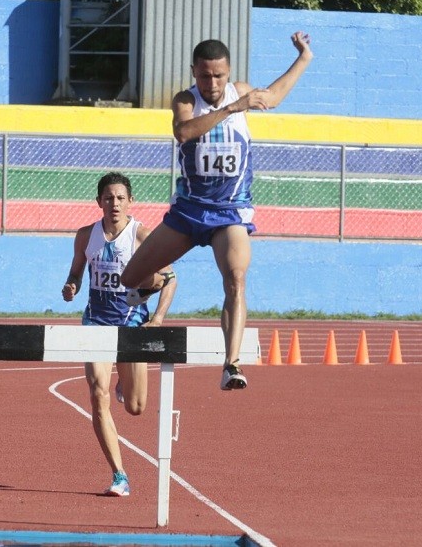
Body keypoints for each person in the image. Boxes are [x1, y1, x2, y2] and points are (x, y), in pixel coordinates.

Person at [121, 32, 313, 391]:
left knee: (236, 278)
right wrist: (231, 108)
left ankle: (231, 364)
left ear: (229, 73)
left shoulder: (240, 90)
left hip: (230, 212)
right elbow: (184, 132)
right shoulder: (186, 100)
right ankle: (160, 281)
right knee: (129, 280)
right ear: (194, 72)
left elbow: (273, 96)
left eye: (219, 76)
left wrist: (303, 57)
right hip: (189, 212)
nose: (212, 83)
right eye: (205, 76)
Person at [62, 171, 176, 497]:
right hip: (96, 323)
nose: (114, 203)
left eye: (120, 198)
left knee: (136, 407)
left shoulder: (142, 236)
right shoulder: (86, 236)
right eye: (109, 198)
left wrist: (157, 319)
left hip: (131, 324)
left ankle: (125, 383)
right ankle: (119, 474)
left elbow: (170, 279)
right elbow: (75, 273)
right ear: (99, 201)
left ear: (130, 201)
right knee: (97, 394)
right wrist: (71, 286)